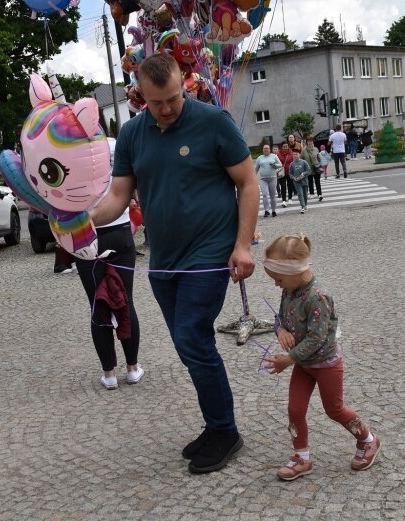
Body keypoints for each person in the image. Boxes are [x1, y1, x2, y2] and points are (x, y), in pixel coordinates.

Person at [89, 53, 258, 475]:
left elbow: (248, 182)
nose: (167, 108)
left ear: (184, 84)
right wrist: (81, 219)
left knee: (192, 338)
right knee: (189, 346)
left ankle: (225, 431)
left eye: (174, 98)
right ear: (140, 95)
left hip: (208, 255)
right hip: (163, 262)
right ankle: (215, 423)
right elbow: (117, 198)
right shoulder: (131, 134)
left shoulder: (213, 121)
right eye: (156, 101)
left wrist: (242, 246)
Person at [262, 234, 381, 481]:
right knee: (295, 410)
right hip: (303, 364)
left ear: (295, 271)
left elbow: (317, 339)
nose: (277, 285)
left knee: (334, 409)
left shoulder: (318, 298)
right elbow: (280, 317)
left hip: (326, 364)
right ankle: (302, 458)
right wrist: (281, 330)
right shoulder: (289, 291)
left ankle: (368, 440)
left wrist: (288, 359)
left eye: (278, 279)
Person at [75, 137, 143, 390]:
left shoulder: (69, 147)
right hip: (119, 227)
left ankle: (109, 374)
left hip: (86, 233)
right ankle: (133, 368)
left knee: (97, 304)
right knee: (126, 299)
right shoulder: (115, 144)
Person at [255, 144, 281, 217]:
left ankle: (273, 211)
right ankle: (266, 210)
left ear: (270, 149)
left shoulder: (274, 156)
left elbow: (280, 165)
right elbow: (256, 169)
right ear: (262, 150)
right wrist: (253, 178)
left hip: (272, 178)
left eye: (267, 148)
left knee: (272, 195)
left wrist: (275, 165)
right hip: (263, 179)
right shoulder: (259, 158)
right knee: (265, 194)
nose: (265, 150)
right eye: (264, 148)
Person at [301, 136, 323, 202]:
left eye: (311, 141)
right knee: (310, 182)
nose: (310, 143)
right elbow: (302, 159)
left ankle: (320, 194)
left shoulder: (316, 149)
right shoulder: (304, 150)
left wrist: (319, 163)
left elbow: (318, 157)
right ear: (306, 142)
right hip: (308, 168)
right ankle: (311, 193)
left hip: (316, 168)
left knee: (317, 182)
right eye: (309, 141)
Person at [288, 149, 310, 213]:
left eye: (296, 154)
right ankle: (302, 207)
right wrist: (293, 178)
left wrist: (304, 174)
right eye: (293, 154)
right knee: (300, 194)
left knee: (305, 194)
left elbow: (309, 170)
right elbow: (290, 173)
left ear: (299, 155)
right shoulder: (292, 164)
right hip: (297, 182)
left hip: (304, 181)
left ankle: (305, 205)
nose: (295, 156)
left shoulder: (304, 162)